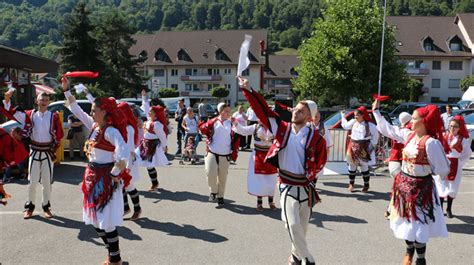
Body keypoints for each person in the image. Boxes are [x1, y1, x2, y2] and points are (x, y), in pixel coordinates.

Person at [239, 77, 327, 265]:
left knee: (301, 229)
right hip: (286, 185)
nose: (295, 111)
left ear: (310, 116)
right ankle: (308, 260)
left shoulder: (317, 138)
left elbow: (321, 162)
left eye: (301, 111)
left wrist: (313, 177)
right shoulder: (281, 128)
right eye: (295, 108)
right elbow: (263, 110)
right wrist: (249, 89)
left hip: (306, 188)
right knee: (292, 224)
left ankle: (295, 256)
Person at [373, 100, 449, 265]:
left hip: (421, 189)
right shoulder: (410, 136)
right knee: (406, 222)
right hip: (404, 187)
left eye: (414, 119)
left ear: (423, 122)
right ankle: (409, 251)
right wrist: (376, 112)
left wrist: (426, 171)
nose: (411, 122)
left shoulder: (431, 144)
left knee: (418, 224)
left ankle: (420, 259)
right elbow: (390, 130)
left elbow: (443, 169)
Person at [63, 77, 129, 265]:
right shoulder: (93, 126)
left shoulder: (111, 132)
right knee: (94, 221)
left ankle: (115, 259)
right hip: (92, 177)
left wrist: (114, 174)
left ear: (105, 113)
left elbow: (123, 155)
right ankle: (113, 255)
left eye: (94, 110)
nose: (90, 111)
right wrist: (67, 91)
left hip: (105, 180)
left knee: (105, 223)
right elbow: (76, 109)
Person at [3, 90, 63, 219]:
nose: (44, 102)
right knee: (32, 182)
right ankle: (29, 208)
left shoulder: (53, 116)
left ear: (49, 102)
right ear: (37, 101)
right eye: (42, 100)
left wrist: (54, 146)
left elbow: (59, 135)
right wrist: (7, 100)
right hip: (34, 150)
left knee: (47, 182)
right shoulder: (30, 115)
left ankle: (46, 207)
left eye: (46, 100)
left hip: (47, 152)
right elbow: (12, 113)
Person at [232, 116, 278, 211]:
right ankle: (259, 203)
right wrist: (235, 122)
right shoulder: (255, 127)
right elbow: (243, 130)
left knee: (271, 178)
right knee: (259, 179)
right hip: (258, 155)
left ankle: (271, 201)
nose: (258, 119)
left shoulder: (274, 127)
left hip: (270, 156)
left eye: (260, 117)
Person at [199, 102, 240, 207]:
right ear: (220, 111)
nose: (228, 113)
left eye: (229, 111)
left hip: (225, 153)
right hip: (212, 151)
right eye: (226, 111)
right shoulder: (213, 121)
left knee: (222, 177)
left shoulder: (232, 123)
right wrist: (201, 124)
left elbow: (239, 134)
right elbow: (203, 129)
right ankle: (213, 191)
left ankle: (220, 196)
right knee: (209, 172)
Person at [434, 115, 472, 218]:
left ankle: (449, 209)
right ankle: (440, 209)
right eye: (451, 126)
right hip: (443, 163)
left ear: (459, 128)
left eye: (455, 126)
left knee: (452, 188)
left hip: (455, 165)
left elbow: (467, 153)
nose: (452, 128)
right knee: (441, 186)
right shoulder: (442, 136)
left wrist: (460, 161)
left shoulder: (462, 140)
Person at [341, 106, 379, 192]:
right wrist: (343, 116)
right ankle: (351, 184)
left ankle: (366, 185)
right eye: (355, 115)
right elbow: (345, 126)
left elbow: (375, 137)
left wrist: (370, 147)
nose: (355, 117)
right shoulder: (354, 122)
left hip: (364, 147)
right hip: (353, 146)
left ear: (363, 115)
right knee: (352, 166)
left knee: (364, 167)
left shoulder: (370, 125)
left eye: (357, 115)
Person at [137, 91, 169, 191]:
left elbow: (162, 136)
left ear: (155, 114)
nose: (149, 112)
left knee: (149, 166)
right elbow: (146, 107)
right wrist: (143, 96)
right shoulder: (148, 120)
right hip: (144, 144)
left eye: (151, 111)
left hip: (152, 146)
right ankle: (154, 183)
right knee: (137, 161)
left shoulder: (157, 125)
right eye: (150, 111)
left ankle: (154, 183)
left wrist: (164, 146)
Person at [118, 102, 142, 221]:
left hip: (128, 160)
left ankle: (137, 210)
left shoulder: (128, 128)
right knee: (122, 185)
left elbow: (127, 147)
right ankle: (126, 208)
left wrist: (126, 164)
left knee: (129, 185)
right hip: (125, 159)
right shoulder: (126, 126)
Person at [0, 126, 29, 206]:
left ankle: (22, 174)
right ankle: (7, 177)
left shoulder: (19, 139)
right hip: (13, 156)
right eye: (11, 132)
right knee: (8, 166)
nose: (11, 133)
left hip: (18, 155)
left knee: (19, 164)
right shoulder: (10, 138)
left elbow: (19, 148)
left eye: (13, 132)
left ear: (17, 133)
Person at [312, 111, 333, 185]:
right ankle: (309, 185)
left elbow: (328, 141)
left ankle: (313, 185)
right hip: (309, 151)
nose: (317, 118)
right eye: (315, 116)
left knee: (317, 169)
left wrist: (327, 153)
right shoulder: (308, 126)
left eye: (318, 116)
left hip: (319, 151)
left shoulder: (324, 127)